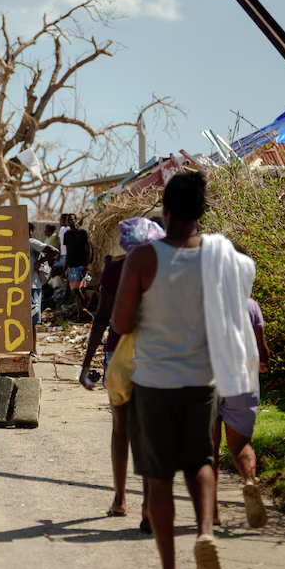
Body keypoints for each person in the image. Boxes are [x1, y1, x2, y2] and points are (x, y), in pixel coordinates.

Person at [112, 171, 255, 569]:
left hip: (154, 383)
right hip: (203, 382)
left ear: (166, 211)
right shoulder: (220, 255)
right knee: (200, 461)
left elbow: (120, 323)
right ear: (201, 213)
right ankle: (206, 533)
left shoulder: (143, 259)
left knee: (158, 480)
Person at [80, 217, 165, 530]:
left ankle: (119, 500)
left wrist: (87, 363)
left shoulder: (116, 269)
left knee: (120, 429)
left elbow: (102, 317)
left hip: (118, 355)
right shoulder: (166, 271)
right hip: (155, 357)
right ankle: (147, 507)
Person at [212, 260, 270, 529]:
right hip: (243, 380)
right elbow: (261, 346)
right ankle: (249, 480)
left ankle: (211, 511)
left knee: (208, 450)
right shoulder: (251, 305)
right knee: (240, 445)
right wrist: (265, 363)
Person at [28, 223, 58, 363]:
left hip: (32, 286)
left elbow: (53, 251)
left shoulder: (31, 243)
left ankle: (33, 351)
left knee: (32, 322)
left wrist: (39, 262)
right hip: (20, 287)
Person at [63, 214, 92, 319]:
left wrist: (86, 266)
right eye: (68, 220)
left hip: (80, 266)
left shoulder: (82, 233)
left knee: (78, 290)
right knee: (76, 292)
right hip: (71, 266)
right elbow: (67, 252)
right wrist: (65, 268)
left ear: (76, 220)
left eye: (71, 220)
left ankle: (85, 310)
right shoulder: (67, 235)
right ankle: (81, 315)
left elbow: (89, 249)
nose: (70, 222)